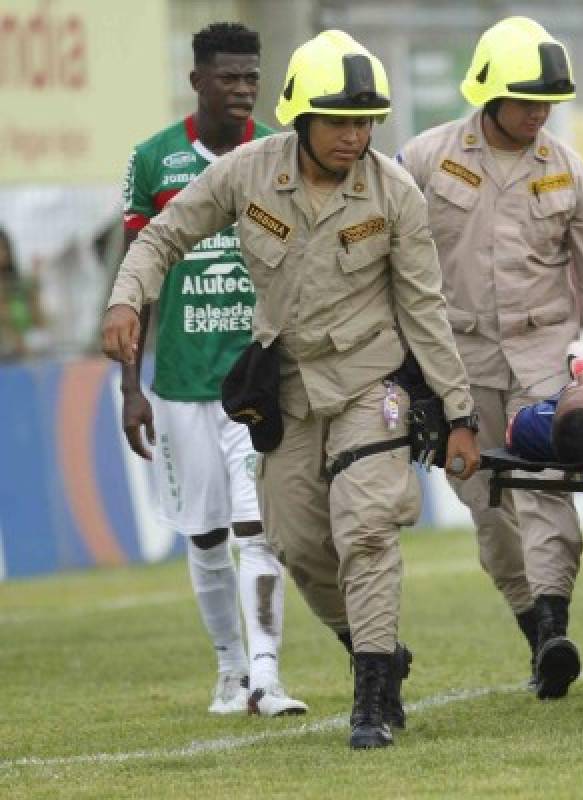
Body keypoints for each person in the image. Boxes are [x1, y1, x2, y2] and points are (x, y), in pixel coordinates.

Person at [101, 30, 481, 748]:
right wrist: (126, 299)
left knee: (365, 529)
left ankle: (372, 695)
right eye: (340, 120)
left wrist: (458, 411)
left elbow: (427, 309)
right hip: (287, 387)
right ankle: (376, 650)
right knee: (297, 545)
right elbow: (161, 236)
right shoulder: (248, 172)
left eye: (367, 121)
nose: (356, 135)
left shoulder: (395, 192)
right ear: (301, 118)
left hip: (373, 383)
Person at [399, 16, 583, 700]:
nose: (540, 114)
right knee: (487, 508)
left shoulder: (569, 168)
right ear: (490, 94)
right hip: (456, 364)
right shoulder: (424, 160)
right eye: (528, 100)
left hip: (544, 359)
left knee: (548, 489)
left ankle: (556, 622)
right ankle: (536, 633)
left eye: (548, 101)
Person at [116, 22, 306, 718]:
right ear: (197, 80)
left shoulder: (277, 156)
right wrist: (130, 387)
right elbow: (135, 275)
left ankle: (265, 674)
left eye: (251, 77)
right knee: (204, 533)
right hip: (180, 386)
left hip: (254, 382)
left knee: (255, 527)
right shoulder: (153, 161)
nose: (242, 88)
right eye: (228, 77)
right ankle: (228, 670)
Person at [0, 227, 46, 361]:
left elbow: (40, 321)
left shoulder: (19, 283)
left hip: (26, 346)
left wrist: (34, 290)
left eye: (3, 248)